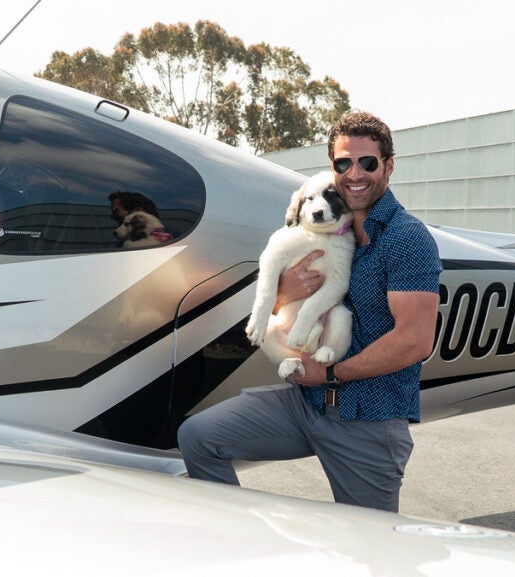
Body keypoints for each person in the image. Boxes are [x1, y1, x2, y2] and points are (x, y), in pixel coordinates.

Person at [177, 111, 442, 511]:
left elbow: (415, 341)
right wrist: (282, 294)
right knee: (199, 436)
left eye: (368, 162)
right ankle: (239, 540)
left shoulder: (407, 239)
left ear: (388, 166)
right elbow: (285, 295)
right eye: (344, 163)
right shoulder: (321, 224)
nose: (356, 173)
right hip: (305, 402)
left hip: (367, 419)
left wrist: (331, 373)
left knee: (372, 552)